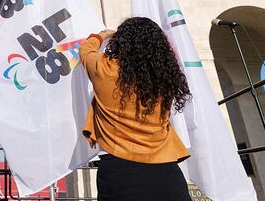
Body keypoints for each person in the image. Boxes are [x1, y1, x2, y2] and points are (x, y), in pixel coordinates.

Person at [80, 17, 193, 201]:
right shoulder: (163, 78)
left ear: (120, 43)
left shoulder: (104, 68)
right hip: (166, 172)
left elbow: (86, 50)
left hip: (119, 173)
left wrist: (104, 34)